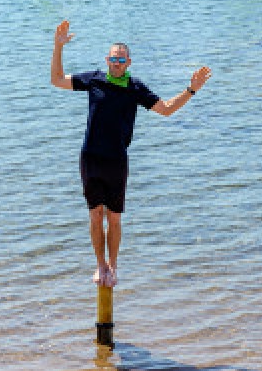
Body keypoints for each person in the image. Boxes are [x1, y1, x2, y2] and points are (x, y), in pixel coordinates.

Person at [51, 20, 212, 287]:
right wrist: (57, 47)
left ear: (128, 62)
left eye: (121, 59)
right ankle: (100, 265)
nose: (116, 62)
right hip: (91, 157)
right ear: (107, 60)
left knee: (113, 217)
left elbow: (167, 109)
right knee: (95, 215)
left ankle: (112, 267)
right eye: (113, 58)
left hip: (116, 160)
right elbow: (56, 79)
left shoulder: (135, 88)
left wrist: (191, 89)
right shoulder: (94, 80)